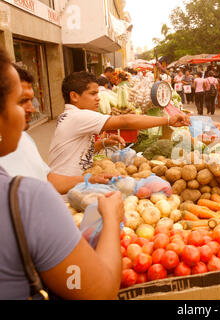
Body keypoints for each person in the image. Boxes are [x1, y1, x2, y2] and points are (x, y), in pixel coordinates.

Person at [0, 48, 124, 300]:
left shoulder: (24, 143)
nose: (32, 109)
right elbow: (100, 293)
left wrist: (87, 179)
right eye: (19, 101)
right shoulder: (26, 199)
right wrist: (111, 219)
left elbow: (48, 177)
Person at [48, 71, 190, 177]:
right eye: (93, 94)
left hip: (71, 183)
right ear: (74, 96)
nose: (98, 99)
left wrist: (104, 143)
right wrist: (167, 120)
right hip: (66, 189)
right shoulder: (78, 116)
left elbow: (78, 151)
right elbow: (125, 121)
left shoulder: (69, 115)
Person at [0, 65, 115, 195]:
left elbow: (48, 179)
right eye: (22, 101)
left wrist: (90, 180)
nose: (32, 109)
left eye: (31, 100)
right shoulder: (75, 116)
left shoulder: (24, 139)